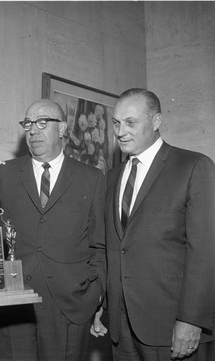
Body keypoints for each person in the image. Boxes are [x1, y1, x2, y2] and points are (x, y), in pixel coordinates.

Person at [91, 88, 215, 360]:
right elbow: (113, 249)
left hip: (172, 327)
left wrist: (191, 320)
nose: (120, 131)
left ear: (157, 122)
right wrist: (101, 303)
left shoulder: (193, 166)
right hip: (121, 329)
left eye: (131, 122)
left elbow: (205, 251)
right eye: (116, 122)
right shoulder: (111, 177)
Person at [0, 99, 106, 360]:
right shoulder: (3, 174)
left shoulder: (91, 178)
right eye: (28, 123)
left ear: (63, 129)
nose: (33, 131)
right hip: (15, 305)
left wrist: (95, 294)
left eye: (43, 123)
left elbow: (98, 245)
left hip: (69, 307)